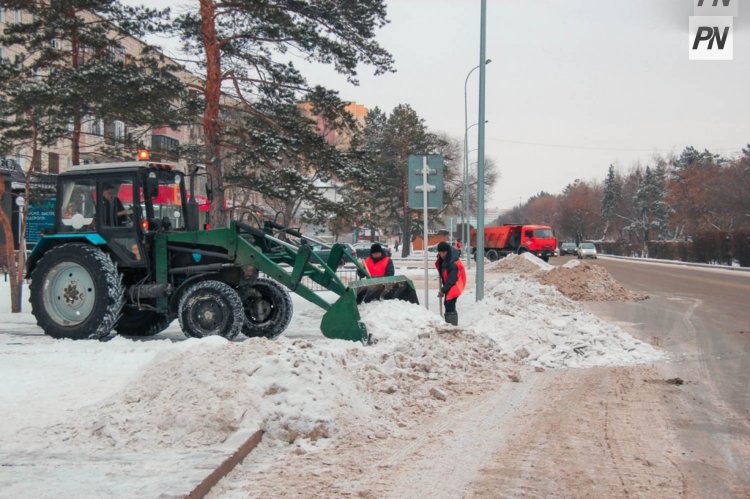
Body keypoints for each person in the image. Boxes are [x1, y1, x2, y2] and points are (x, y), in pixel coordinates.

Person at [435, 241, 466, 326]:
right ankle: (450, 324)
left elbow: (451, 280)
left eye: (443, 252)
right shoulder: (445, 259)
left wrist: (442, 290)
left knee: (449, 304)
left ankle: (452, 325)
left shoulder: (453, 264)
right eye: (440, 253)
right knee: (447, 303)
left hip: (456, 284)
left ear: (448, 251)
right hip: (450, 284)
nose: (442, 255)